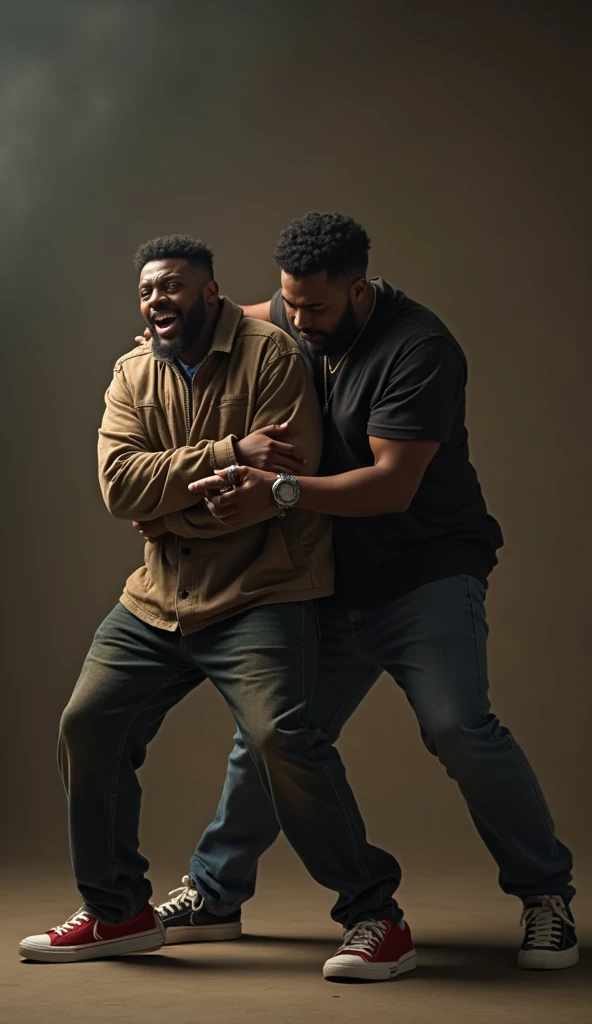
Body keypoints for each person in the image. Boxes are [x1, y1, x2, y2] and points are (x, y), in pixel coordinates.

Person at [150, 213, 577, 978]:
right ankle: (215, 894)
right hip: (331, 579)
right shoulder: (290, 309)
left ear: (359, 288)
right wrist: (164, 325)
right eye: (290, 305)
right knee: (275, 735)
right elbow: (221, 320)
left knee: (457, 729)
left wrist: (276, 490)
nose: (298, 322)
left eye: (314, 309)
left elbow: (390, 487)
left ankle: (547, 895)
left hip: (426, 571)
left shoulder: (422, 348)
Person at [19, 234, 417, 974]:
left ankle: (376, 915)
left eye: (171, 286)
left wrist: (167, 507)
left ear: (211, 293)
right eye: (145, 291)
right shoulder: (132, 370)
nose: (155, 300)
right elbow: (118, 488)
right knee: (87, 724)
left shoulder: (274, 355)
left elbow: (268, 498)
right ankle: (117, 913)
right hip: (158, 596)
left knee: (281, 741)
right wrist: (230, 452)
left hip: (265, 591)